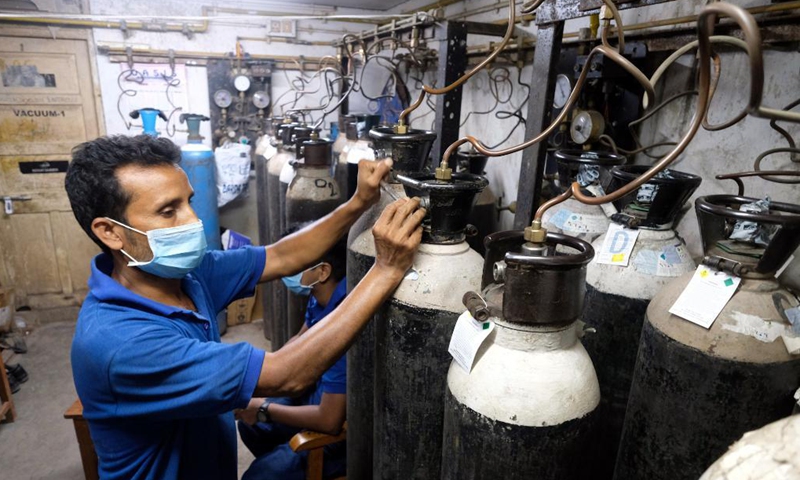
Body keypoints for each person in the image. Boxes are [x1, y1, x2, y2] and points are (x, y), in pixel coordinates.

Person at [65, 134, 424, 480]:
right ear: (110, 232)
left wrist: (358, 203)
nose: (193, 221)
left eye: (189, 201)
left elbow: (282, 256)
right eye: (168, 211)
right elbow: (287, 373)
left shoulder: (186, 276)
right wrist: (386, 270)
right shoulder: (122, 343)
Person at [236, 234, 348, 480]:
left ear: (322, 272)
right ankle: (287, 460)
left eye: (297, 261)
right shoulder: (320, 296)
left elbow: (329, 420)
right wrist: (270, 374)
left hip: (336, 432)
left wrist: (265, 407)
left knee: (258, 476)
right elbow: (299, 339)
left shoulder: (341, 325)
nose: (287, 267)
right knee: (249, 424)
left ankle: (301, 461)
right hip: (313, 395)